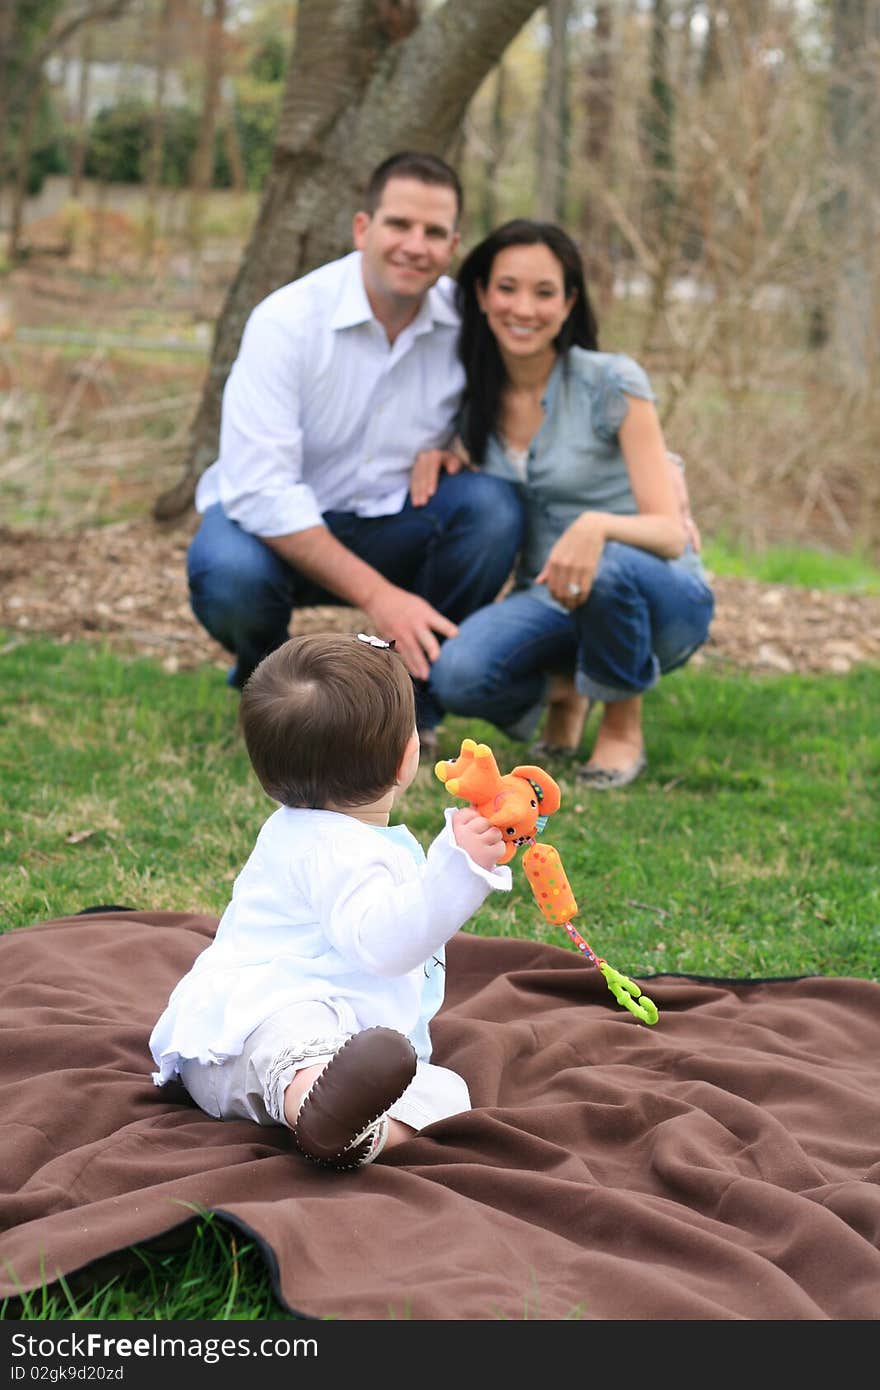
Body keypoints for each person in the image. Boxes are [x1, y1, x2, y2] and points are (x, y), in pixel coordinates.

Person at [186, 151, 524, 752]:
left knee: (492, 510)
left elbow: (528, 402)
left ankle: (409, 705)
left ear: (453, 245)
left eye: (434, 232)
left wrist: (455, 445)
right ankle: (270, 692)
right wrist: (379, 597)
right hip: (271, 534)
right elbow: (262, 491)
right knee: (229, 575)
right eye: (399, 225)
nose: (415, 245)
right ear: (363, 228)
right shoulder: (287, 321)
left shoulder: (466, 326)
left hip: (393, 522)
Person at [149, 632, 511, 1171]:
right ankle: (318, 1110)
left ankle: (358, 1128)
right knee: (304, 1035)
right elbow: (385, 947)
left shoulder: (297, 830)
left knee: (444, 1095)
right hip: (266, 1036)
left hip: (219, 1053)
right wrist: (457, 868)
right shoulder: (343, 851)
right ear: (406, 760)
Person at [421, 220, 715, 789]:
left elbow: (669, 533)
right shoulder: (473, 401)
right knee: (457, 674)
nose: (523, 308)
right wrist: (440, 458)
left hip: (658, 591)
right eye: (506, 288)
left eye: (544, 292)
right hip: (551, 593)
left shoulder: (612, 382)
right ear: (481, 295)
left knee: (604, 567)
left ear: (570, 301)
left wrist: (597, 526)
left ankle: (622, 725)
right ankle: (573, 689)